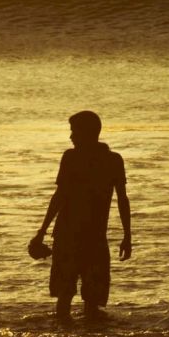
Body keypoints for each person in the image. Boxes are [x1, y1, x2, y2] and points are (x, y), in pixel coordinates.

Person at [31, 111, 131, 322]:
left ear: (87, 133)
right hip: (88, 237)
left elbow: (60, 197)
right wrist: (127, 236)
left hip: (74, 236)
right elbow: (122, 199)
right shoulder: (110, 160)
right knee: (88, 303)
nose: (71, 137)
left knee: (67, 300)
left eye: (74, 132)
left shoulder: (75, 158)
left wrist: (41, 232)